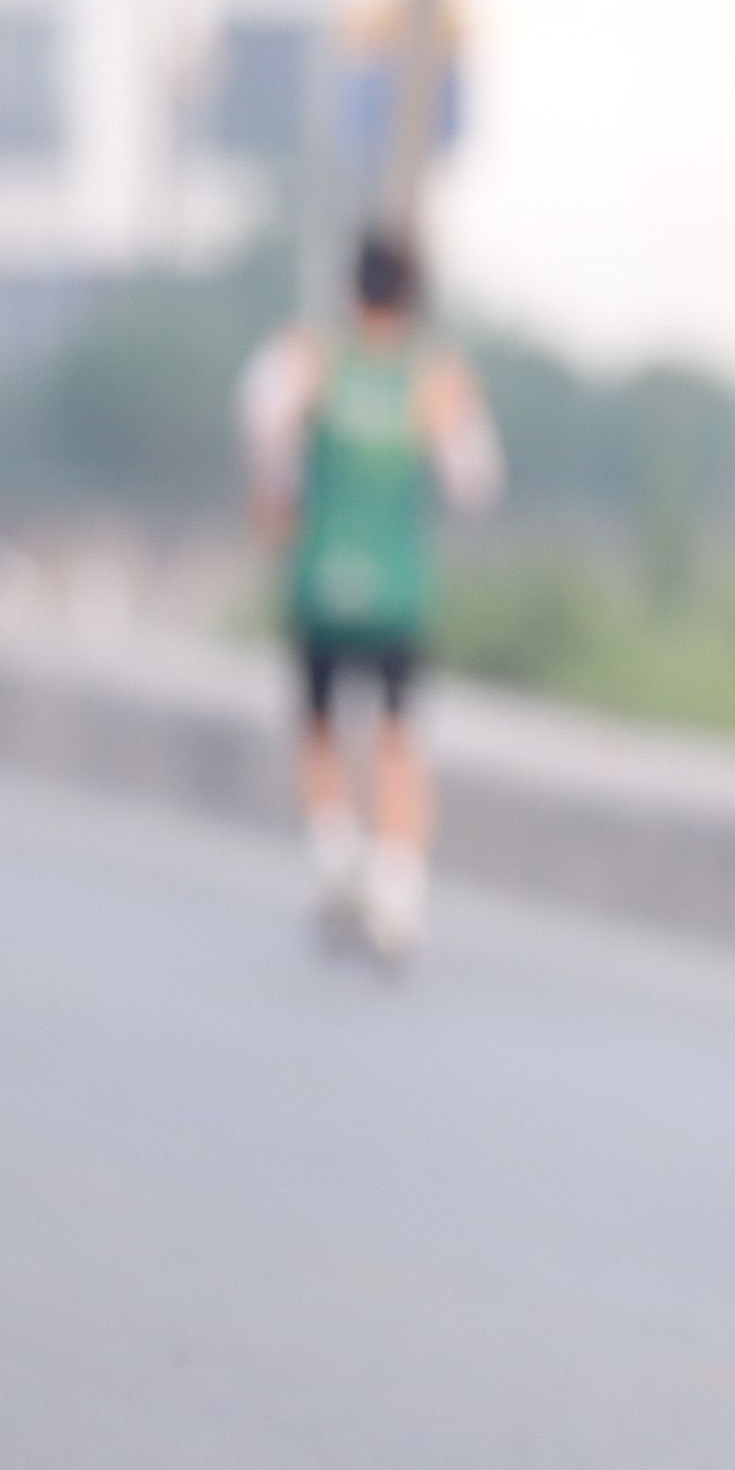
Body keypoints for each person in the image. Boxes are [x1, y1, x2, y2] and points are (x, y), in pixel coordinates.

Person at [235, 232, 502, 963]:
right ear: (415, 298)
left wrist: (278, 503)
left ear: (351, 288)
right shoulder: (435, 378)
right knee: (399, 738)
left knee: (320, 727)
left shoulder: (312, 359)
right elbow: (474, 482)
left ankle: (337, 860)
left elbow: (262, 434)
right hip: (397, 591)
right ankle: (398, 890)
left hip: (321, 581)